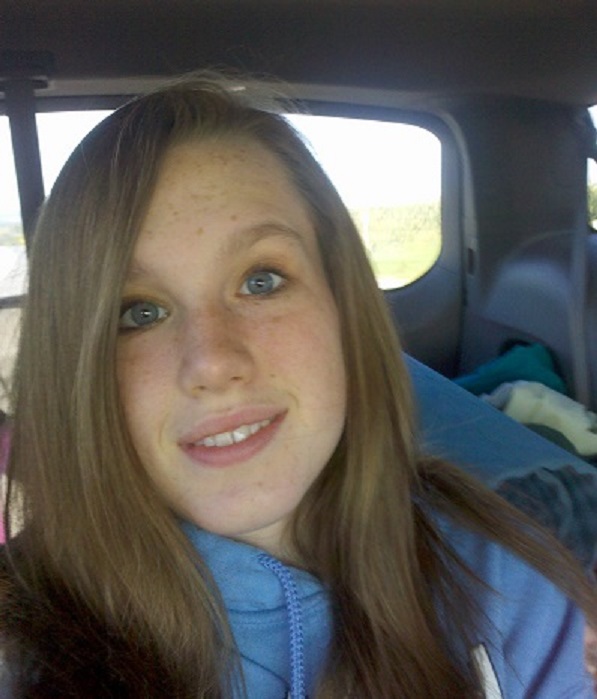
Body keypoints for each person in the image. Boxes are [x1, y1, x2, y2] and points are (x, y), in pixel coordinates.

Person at [1, 74, 595, 698]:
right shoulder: (26, 652)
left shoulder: (504, 578)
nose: (212, 362)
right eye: (139, 313)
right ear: (78, 367)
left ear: (343, 305)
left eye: (261, 281)